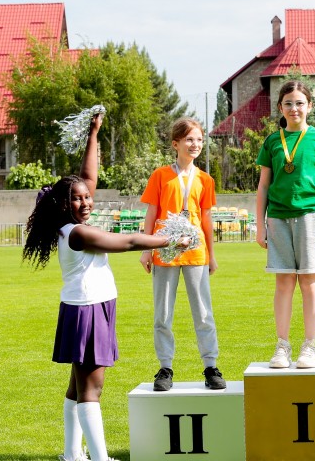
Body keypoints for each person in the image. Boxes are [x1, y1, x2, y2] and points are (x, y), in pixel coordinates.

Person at [23, 115, 172, 461]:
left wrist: (94, 134)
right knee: (93, 388)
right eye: (77, 200)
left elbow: (87, 177)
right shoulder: (78, 234)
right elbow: (131, 241)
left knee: (77, 387)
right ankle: (100, 459)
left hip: (88, 306)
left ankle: (72, 455)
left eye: (88, 197)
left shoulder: (71, 222)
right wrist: (170, 238)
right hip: (88, 310)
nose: (86, 202)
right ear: (64, 205)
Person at [255, 80, 315, 369]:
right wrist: (259, 225)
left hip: (311, 215)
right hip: (277, 217)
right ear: (280, 107)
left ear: (310, 106)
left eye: (300, 103)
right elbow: (263, 186)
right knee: (283, 282)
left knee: (309, 281)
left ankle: (309, 346)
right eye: (289, 103)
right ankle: (282, 346)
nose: (295, 108)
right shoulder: (272, 141)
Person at [139, 118, 226, 391]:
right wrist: (146, 249)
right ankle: (165, 368)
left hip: (196, 254)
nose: (195, 144)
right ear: (175, 144)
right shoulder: (160, 175)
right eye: (189, 139)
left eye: (199, 139)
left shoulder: (205, 180)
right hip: (165, 253)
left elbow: (207, 219)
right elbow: (152, 213)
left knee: (203, 313)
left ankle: (210, 366)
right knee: (162, 313)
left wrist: (211, 254)